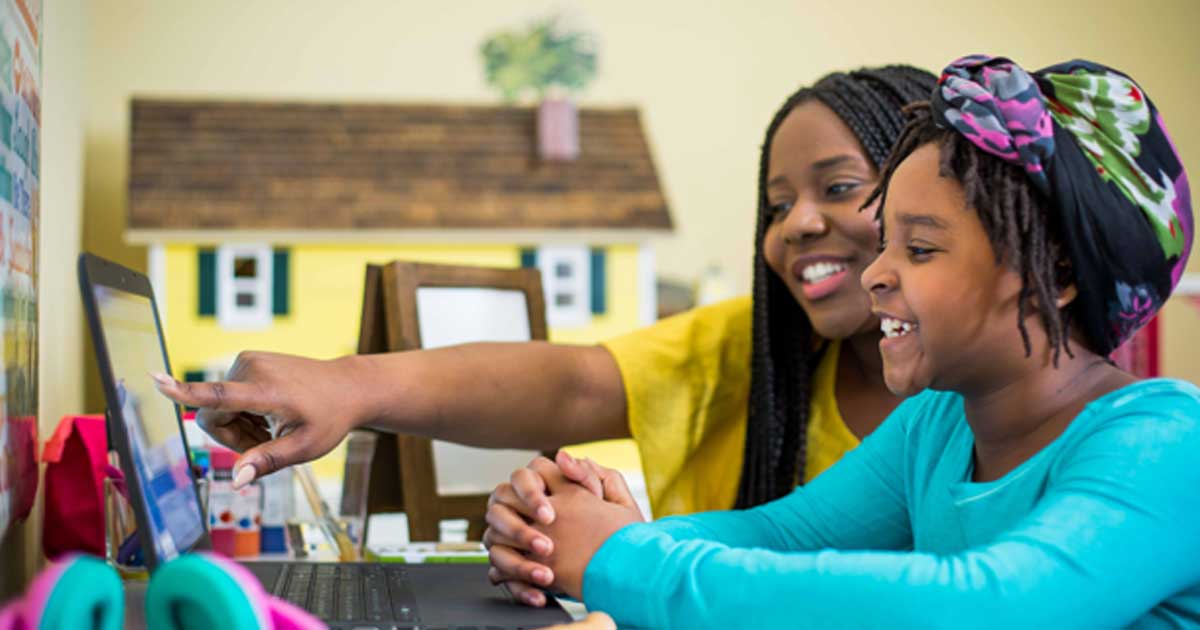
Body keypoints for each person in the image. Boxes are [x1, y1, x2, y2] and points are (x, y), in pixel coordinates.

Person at [154, 67, 935, 603]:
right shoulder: (764, 350)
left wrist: (620, 554)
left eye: (838, 188)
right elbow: (575, 385)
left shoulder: (975, 416)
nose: (795, 224)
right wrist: (580, 533)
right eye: (774, 205)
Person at [484, 54, 1200, 627]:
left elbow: (984, 603)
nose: (879, 274)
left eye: (919, 249)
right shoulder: (939, 426)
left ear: (1059, 273)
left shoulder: (1167, 443)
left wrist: (622, 558)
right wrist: (567, 531)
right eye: (885, 241)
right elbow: (784, 537)